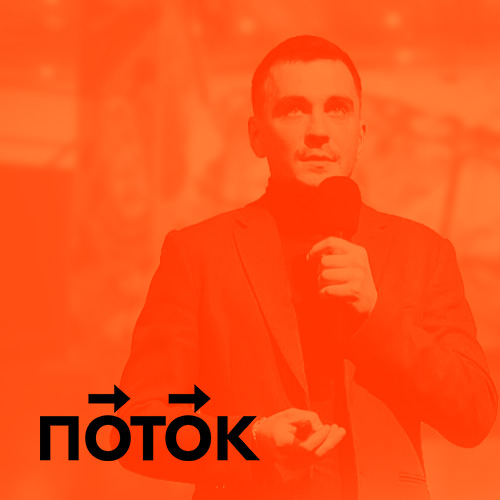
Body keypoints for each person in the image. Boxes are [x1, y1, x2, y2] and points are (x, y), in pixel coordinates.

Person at [117, 35, 497, 500]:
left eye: (337, 109)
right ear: (256, 135)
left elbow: (474, 414)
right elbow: (135, 428)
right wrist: (250, 437)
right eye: (294, 109)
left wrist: (375, 316)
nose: (318, 130)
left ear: (360, 133)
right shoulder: (198, 253)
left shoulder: (423, 251)